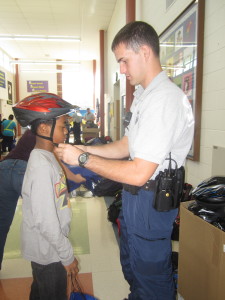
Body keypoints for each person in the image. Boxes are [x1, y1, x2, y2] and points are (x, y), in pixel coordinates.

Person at [54, 21, 194, 300]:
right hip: (134, 199)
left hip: (150, 202)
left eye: (124, 60)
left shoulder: (164, 100)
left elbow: (140, 172)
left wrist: (82, 158)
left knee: (152, 279)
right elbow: (126, 145)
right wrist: (88, 150)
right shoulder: (144, 96)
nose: (121, 69)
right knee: (133, 269)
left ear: (144, 52)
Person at [12, 92, 85, 300]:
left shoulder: (47, 156)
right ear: (44, 128)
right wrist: (67, 255)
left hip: (48, 248)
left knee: (41, 292)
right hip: (49, 253)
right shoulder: (42, 165)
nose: (67, 129)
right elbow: (46, 221)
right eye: (63, 125)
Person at [0, 129, 36, 270]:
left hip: (4, 168)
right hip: (25, 170)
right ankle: (45, 268)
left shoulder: (29, 131)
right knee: (40, 222)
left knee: (1, 224)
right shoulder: (48, 132)